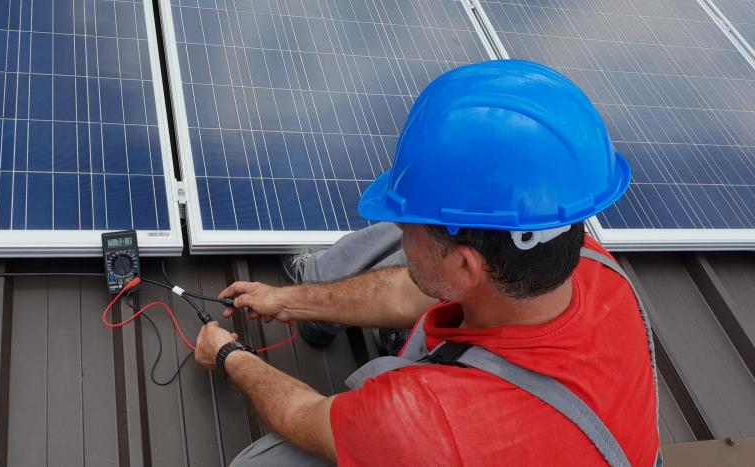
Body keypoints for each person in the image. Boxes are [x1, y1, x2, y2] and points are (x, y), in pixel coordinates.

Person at [192, 60, 661, 466]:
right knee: (426, 253)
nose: (398, 230)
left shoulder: (426, 420)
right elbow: (406, 289)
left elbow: (302, 417)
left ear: (465, 268)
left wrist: (229, 354)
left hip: (460, 432)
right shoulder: (587, 264)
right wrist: (288, 302)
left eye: (409, 226)